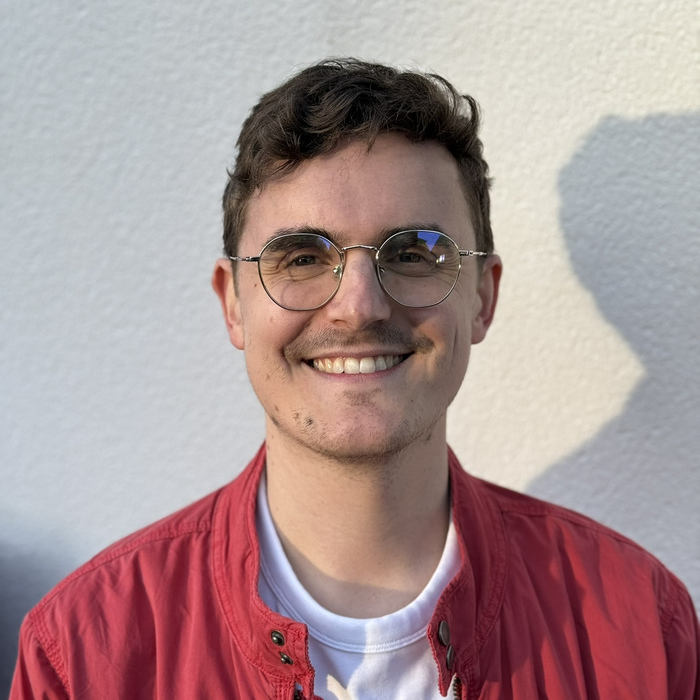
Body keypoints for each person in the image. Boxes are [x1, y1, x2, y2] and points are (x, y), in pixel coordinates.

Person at [10, 58, 699, 699]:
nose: (360, 306)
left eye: (415, 253)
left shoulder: (642, 627)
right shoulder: (84, 652)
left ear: (482, 298)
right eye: (302, 257)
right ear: (233, 304)